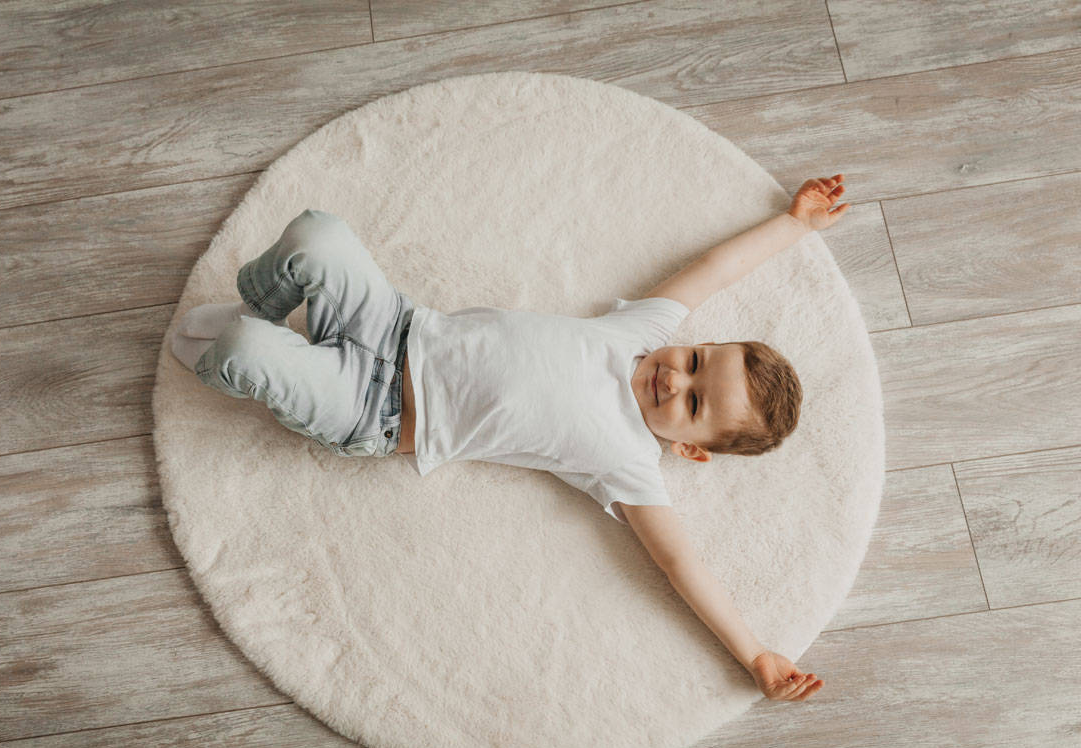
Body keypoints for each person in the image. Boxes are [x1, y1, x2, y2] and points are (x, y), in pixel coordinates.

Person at [170, 175, 851, 702]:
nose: (676, 380)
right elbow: (718, 267)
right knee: (319, 233)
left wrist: (754, 653)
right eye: (696, 361)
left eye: (695, 403)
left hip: (371, 409)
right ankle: (255, 308)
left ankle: (247, 345)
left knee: (240, 351)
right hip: (394, 322)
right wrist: (794, 224)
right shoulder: (640, 333)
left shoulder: (631, 464)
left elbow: (683, 567)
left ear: (691, 449)